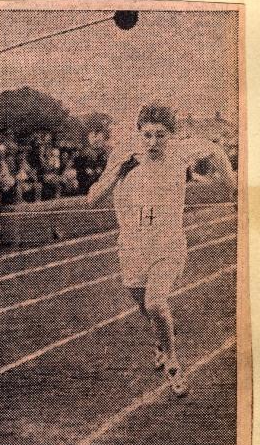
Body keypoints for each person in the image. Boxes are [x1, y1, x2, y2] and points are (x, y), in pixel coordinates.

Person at [87, 103, 236, 397]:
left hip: (168, 243)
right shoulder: (124, 155)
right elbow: (92, 199)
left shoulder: (183, 150)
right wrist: (119, 173)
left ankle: (173, 362)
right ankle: (161, 342)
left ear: (173, 134)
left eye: (161, 135)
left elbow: (217, 152)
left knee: (156, 302)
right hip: (132, 247)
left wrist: (231, 183)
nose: (153, 143)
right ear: (139, 134)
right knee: (145, 306)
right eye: (148, 135)